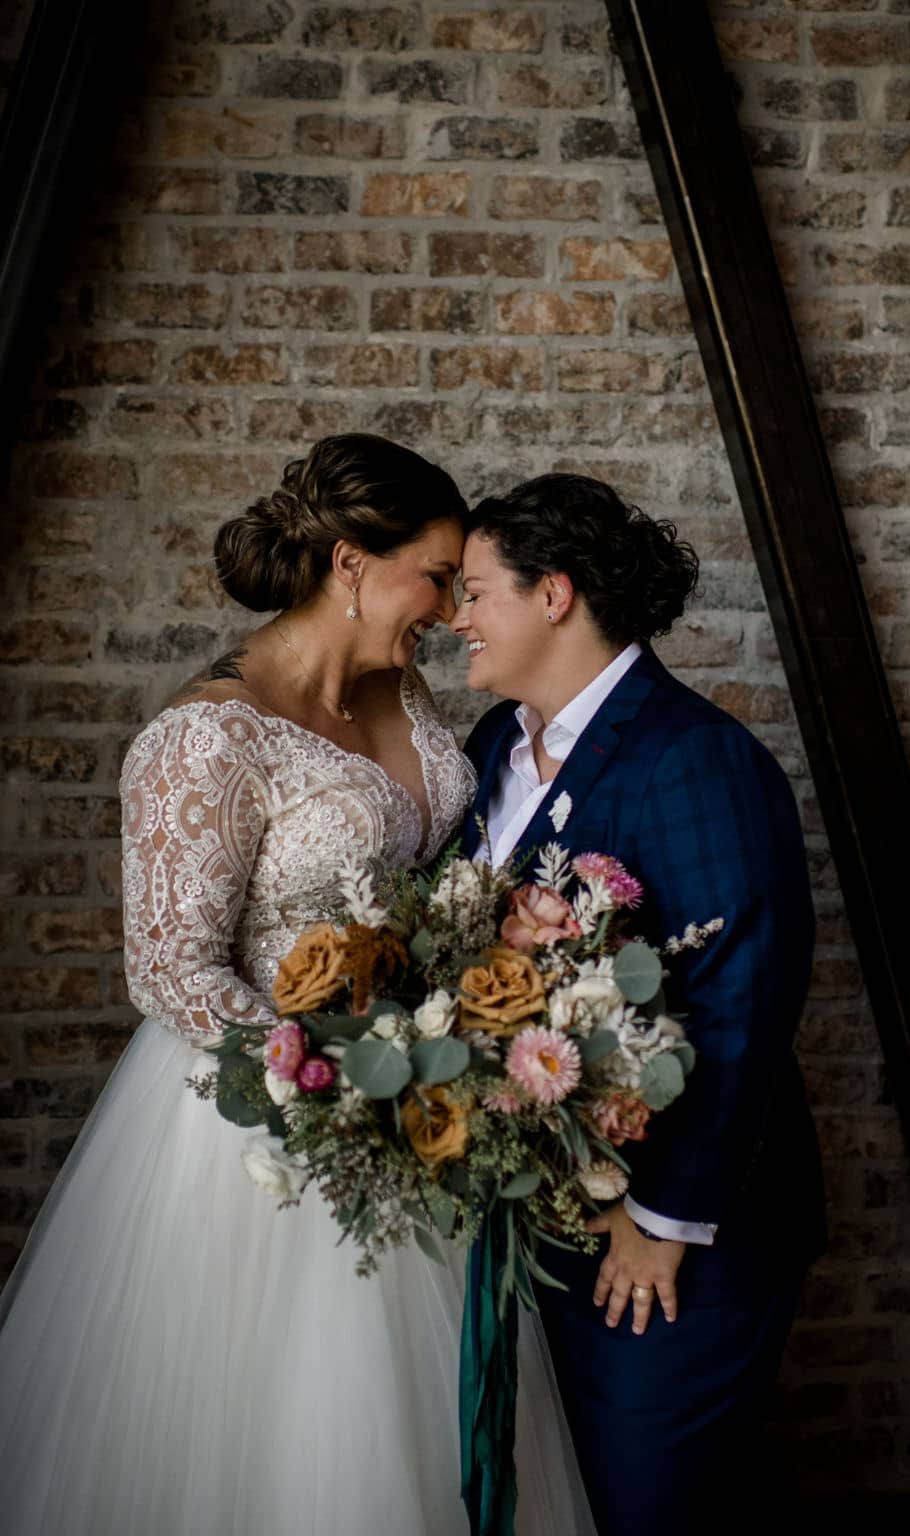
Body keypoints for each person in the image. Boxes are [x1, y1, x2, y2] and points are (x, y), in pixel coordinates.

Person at [0, 436, 593, 1535]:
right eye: (436, 576)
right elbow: (172, 968)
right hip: (264, 1119)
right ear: (347, 565)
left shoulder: (399, 683)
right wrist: (332, 1081)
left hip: (419, 1088)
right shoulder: (205, 736)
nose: (453, 606)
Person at [452, 473, 826, 1534]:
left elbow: (742, 996)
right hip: (551, 1213)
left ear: (555, 594)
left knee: (642, 1503)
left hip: (679, 1232)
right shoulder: (492, 747)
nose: (456, 616)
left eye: (477, 592)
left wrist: (662, 1223)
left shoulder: (697, 757)